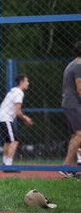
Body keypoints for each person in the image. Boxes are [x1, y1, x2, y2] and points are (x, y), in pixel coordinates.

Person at [0, 74, 33, 170]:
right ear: (21, 82)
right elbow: (17, 111)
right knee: (14, 140)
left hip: (2, 117)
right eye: (27, 81)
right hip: (6, 118)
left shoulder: (13, 91)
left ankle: (5, 162)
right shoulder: (19, 93)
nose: (28, 83)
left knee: (8, 141)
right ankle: (8, 165)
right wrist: (25, 118)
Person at [59, 41, 81, 178]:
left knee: (75, 135)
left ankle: (67, 167)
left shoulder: (73, 64)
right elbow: (80, 89)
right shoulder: (79, 66)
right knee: (79, 135)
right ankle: (66, 167)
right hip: (73, 104)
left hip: (70, 104)